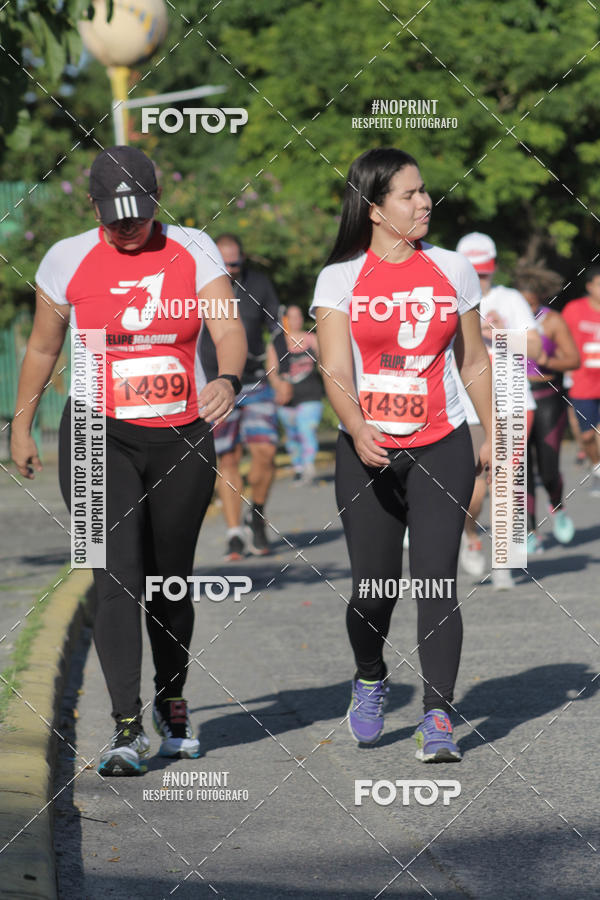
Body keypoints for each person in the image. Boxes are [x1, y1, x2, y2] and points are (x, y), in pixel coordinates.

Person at [10, 146, 247, 776]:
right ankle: (124, 728)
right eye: (114, 219)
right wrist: (22, 426)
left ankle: (172, 703)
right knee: (114, 576)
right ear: (93, 208)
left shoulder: (193, 248)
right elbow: (42, 348)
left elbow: (227, 327)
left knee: (169, 580)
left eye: (138, 215)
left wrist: (227, 377)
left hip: (181, 434)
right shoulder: (65, 258)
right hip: (95, 432)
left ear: (156, 200)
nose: (127, 228)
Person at [312, 147, 493, 763]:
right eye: (408, 194)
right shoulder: (340, 278)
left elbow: (473, 360)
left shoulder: (453, 269)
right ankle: (369, 676)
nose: (424, 202)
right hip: (367, 450)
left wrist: (493, 433)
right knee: (374, 587)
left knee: (437, 580)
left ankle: (438, 717)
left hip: (442, 442)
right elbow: (335, 368)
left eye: (424, 191)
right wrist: (356, 426)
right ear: (374, 208)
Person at [454, 233, 542, 590]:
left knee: (505, 481)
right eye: (474, 273)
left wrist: (501, 332)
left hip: (512, 403)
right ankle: (470, 534)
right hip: (466, 407)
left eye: (484, 273)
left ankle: (503, 561)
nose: (480, 279)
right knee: (473, 491)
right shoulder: (449, 300)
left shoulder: (510, 299)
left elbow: (537, 349)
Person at [199, 234, 291, 560]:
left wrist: (282, 375)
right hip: (213, 384)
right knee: (228, 458)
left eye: (235, 263)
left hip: (254, 382)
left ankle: (258, 513)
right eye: (223, 264)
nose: (229, 269)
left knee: (266, 450)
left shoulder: (259, 284)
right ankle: (234, 532)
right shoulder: (200, 283)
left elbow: (276, 330)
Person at [514, 265, 580, 551]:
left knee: (549, 469)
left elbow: (574, 360)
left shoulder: (552, 321)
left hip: (547, 395)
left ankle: (557, 507)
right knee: (520, 468)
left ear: (539, 299)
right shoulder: (503, 320)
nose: (526, 310)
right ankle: (529, 530)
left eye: (531, 304)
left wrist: (545, 360)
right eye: (521, 304)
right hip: (514, 396)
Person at [268, 304, 323, 485]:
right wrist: (279, 387)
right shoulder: (277, 343)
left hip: (310, 395)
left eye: (299, 316)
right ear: (285, 320)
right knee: (292, 435)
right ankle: (298, 467)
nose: (296, 320)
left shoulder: (312, 339)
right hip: (287, 398)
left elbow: (324, 364)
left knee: (306, 428)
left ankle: (308, 465)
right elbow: (271, 372)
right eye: (291, 317)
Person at [562, 266, 600, 496]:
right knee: (586, 435)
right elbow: (561, 339)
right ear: (589, 286)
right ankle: (596, 466)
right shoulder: (574, 310)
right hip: (582, 381)